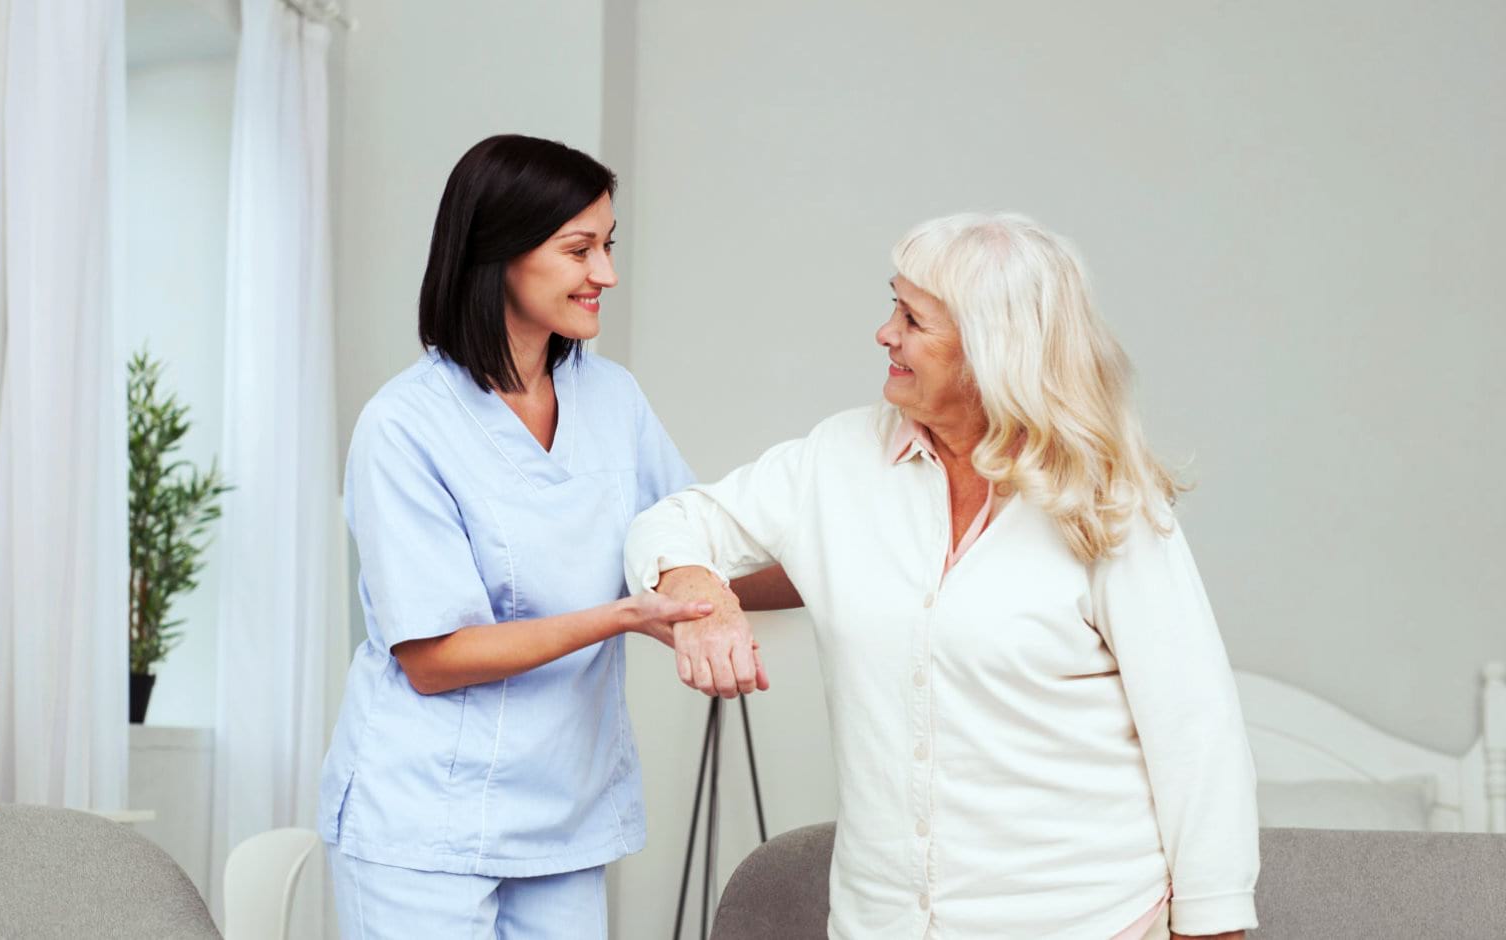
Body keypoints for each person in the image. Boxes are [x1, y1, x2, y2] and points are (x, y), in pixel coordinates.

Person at [626, 213, 1258, 939]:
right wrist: (702, 592)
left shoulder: (1104, 498)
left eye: (912, 318)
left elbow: (1194, 727)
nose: (884, 333)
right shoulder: (838, 459)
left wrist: (1211, 925)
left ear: (993, 348)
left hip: (1090, 919)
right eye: (892, 305)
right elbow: (672, 520)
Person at [317, 134, 795, 939]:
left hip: (563, 820)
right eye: (580, 250)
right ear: (497, 252)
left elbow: (687, 562)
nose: (605, 274)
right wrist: (620, 616)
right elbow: (434, 660)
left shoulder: (611, 398)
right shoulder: (404, 426)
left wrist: (849, 564)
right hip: (424, 821)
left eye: (608, 246)